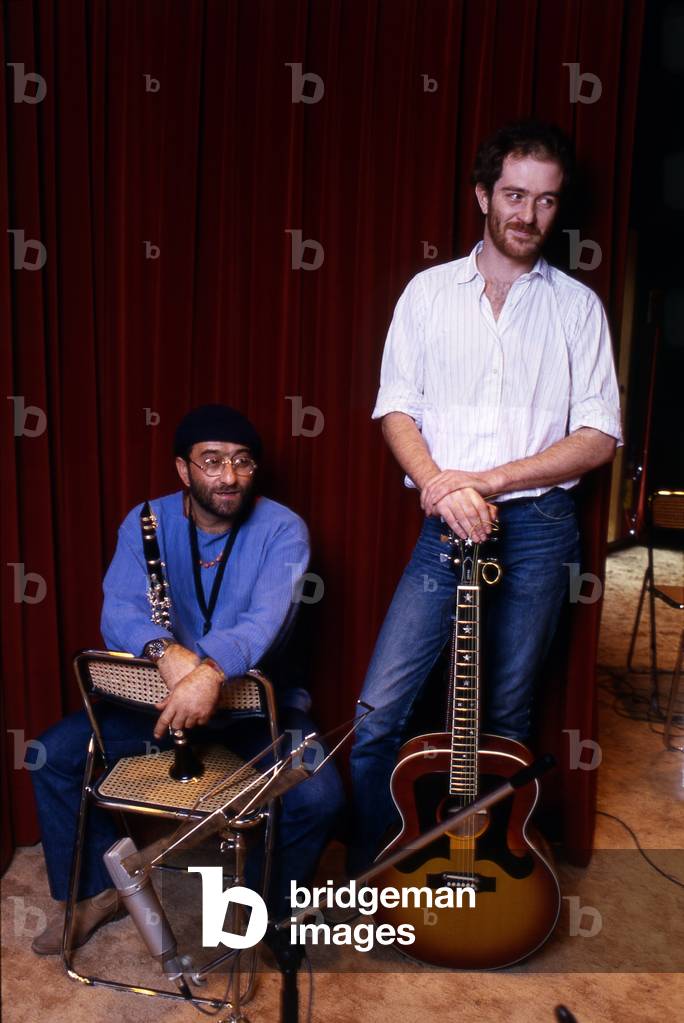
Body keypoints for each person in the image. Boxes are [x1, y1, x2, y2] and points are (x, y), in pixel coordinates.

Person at [348, 120, 623, 874]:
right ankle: (382, 867)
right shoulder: (428, 294)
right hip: (444, 526)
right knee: (378, 715)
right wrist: (441, 487)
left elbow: (598, 435)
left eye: (543, 200)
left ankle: (485, 868)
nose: (526, 214)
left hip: (539, 526)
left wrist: (486, 480)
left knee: (503, 718)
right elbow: (395, 408)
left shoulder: (578, 308)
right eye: (512, 194)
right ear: (482, 195)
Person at [30, 404, 343, 954]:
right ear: (183, 469)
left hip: (252, 708)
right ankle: (96, 897)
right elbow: (119, 610)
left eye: (242, 462)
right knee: (52, 755)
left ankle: (266, 911)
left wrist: (211, 672)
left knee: (319, 794)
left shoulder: (283, 529)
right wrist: (167, 654)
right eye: (212, 461)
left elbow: (266, 621)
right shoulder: (144, 520)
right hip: (158, 704)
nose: (228, 476)